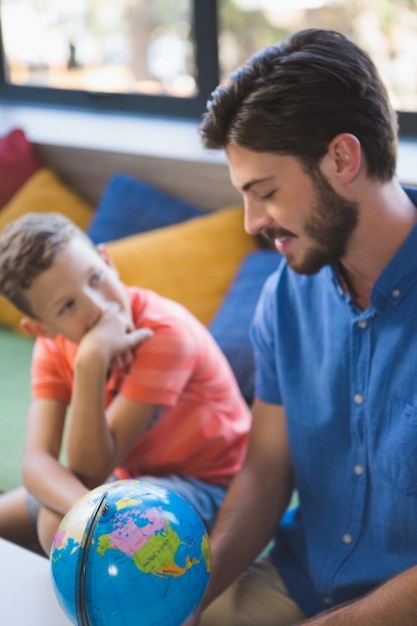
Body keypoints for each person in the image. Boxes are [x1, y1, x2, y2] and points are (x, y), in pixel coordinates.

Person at [188, 27, 417, 626]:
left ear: (342, 159)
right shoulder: (285, 300)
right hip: (299, 579)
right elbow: (266, 472)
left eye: (264, 193)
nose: (250, 222)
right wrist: (189, 598)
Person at [0, 212, 252, 555]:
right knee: (50, 514)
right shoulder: (52, 345)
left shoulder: (164, 335)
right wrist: (86, 510)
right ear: (41, 328)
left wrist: (90, 362)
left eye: (95, 278)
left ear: (107, 260)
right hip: (128, 479)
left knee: (56, 525)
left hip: (213, 485)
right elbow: (36, 463)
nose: (99, 308)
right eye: (67, 305)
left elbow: (90, 471)